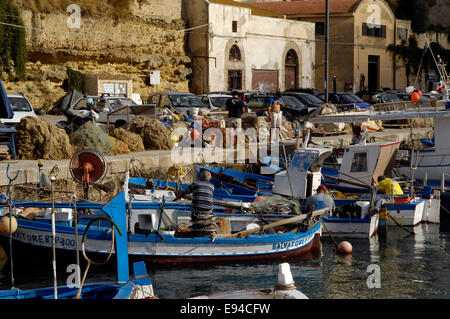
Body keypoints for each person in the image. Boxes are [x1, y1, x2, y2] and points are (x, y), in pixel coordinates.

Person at [173, 171, 218, 235]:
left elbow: (184, 193)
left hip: (197, 211)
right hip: (209, 211)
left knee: (193, 206)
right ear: (209, 179)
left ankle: (195, 226)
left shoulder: (195, 184)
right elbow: (205, 195)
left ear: (200, 177)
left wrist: (175, 199)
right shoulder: (212, 186)